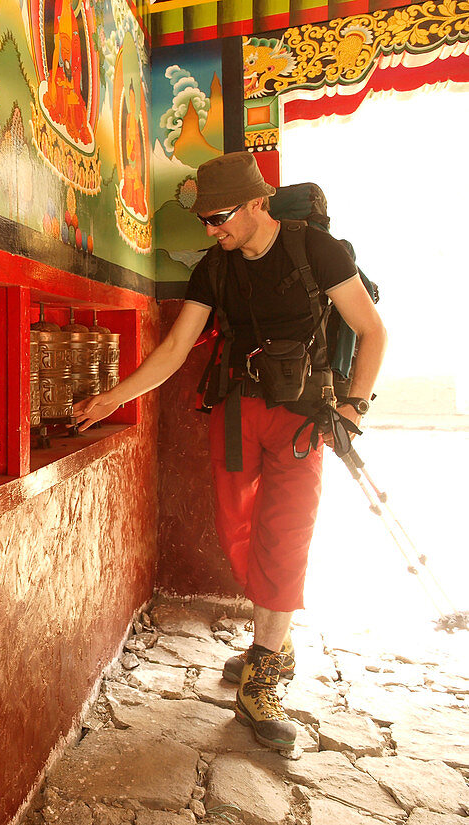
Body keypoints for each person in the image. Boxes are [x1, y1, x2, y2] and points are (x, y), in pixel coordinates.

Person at [73, 152, 387, 750]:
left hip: (302, 418)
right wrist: (113, 398)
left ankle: (263, 674)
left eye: (219, 218)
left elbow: (371, 330)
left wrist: (354, 407)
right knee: (236, 531)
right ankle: (277, 630)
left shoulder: (317, 251)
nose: (211, 230)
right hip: (238, 413)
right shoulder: (214, 270)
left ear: (257, 204)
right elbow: (173, 350)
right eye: (205, 220)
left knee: (286, 533)